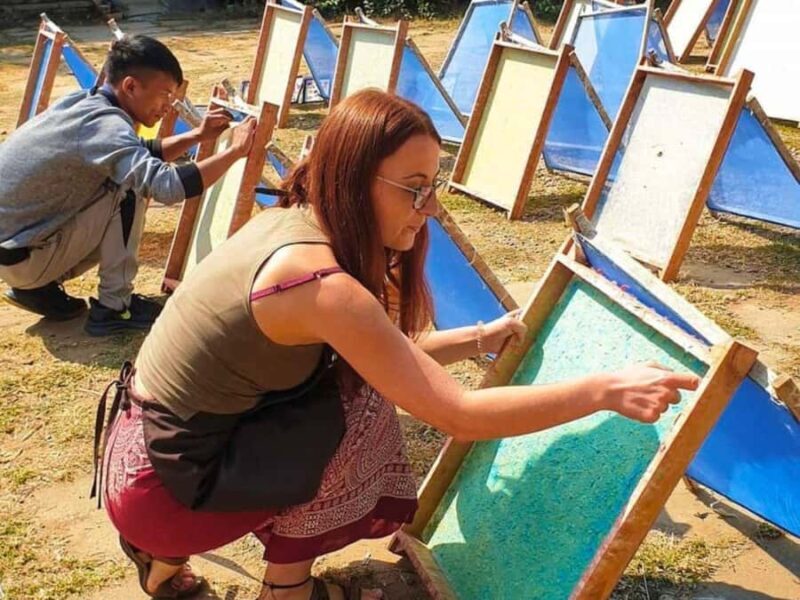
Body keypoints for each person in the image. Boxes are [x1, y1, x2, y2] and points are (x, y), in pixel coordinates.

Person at [98, 90, 699, 600]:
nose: (430, 208)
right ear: (355, 181)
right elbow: (453, 413)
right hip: (167, 491)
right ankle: (287, 589)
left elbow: (379, 348)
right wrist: (602, 390)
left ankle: (162, 564)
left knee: (348, 388)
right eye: (414, 188)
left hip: (137, 454)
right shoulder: (321, 285)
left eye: (433, 186)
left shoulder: (290, 221)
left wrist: (477, 338)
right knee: (361, 412)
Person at [0, 35, 256, 335]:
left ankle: (38, 289)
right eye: (165, 95)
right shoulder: (105, 126)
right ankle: (114, 307)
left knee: (125, 173)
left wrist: (198, 136)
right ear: (131, 86)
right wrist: (234, 152)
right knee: (128, 188)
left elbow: (137, 151)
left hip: (15, 251)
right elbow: (165, 186)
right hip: (25, 259)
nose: (167, 107)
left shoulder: (84, 102)